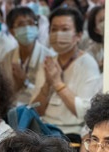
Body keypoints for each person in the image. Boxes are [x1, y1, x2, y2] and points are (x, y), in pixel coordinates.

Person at [30, 6, 102, 138]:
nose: (58, 34)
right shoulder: (48, 62)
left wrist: (57, 83)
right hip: (44, 128)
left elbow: (84, 113)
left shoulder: (88, 64)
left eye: (65, 29)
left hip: (71, 133)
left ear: (79, 35)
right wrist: (47, 84)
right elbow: (36, 110)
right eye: (54, 29)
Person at [0, 6, 55, 106]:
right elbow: (4, 91)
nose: (26, 28)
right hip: (13, 109)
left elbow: (50, 93)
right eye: (21, 24)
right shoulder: (8, 58)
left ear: (37, 27)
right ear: (12, 31)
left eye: (30, 23)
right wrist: (16, 86)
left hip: (38, 111)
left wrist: (25, 82)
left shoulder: (49, 56)